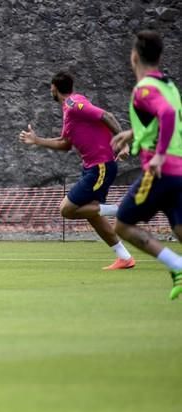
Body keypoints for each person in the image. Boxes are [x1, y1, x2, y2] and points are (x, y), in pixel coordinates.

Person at [19, 71, 135, 270]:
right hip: (93, 167)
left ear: (54, 87)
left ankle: (123, 210)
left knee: (67, 209)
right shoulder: (69, 109)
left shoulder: (74, 104)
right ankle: (124, 257)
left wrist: (124, 143)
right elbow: (65, 144)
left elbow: (106, 115)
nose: (50, 90)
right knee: (92, 213)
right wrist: (37, 141)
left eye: (50, 87)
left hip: (100, 167)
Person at [111, 31, 182, 300]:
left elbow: (166, 114)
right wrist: (133, 133)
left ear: (134, 57)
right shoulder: (169, 86)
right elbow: (167, 118)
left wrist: (160, 156)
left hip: (160, 171)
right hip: (179, 171)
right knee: (179, 230)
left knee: (122, 225)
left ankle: (177, 267)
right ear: (160, 56)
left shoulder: (143, 90)